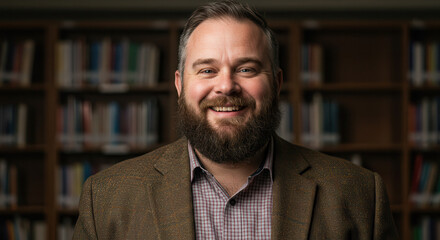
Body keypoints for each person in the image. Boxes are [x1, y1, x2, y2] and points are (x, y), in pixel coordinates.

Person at [73, 1, 398, 239]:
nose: (226, 85)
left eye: (246, 68)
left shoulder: (358, 195)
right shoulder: (106, 199)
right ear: (179, 84)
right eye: (207, 70)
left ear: (277, 83)